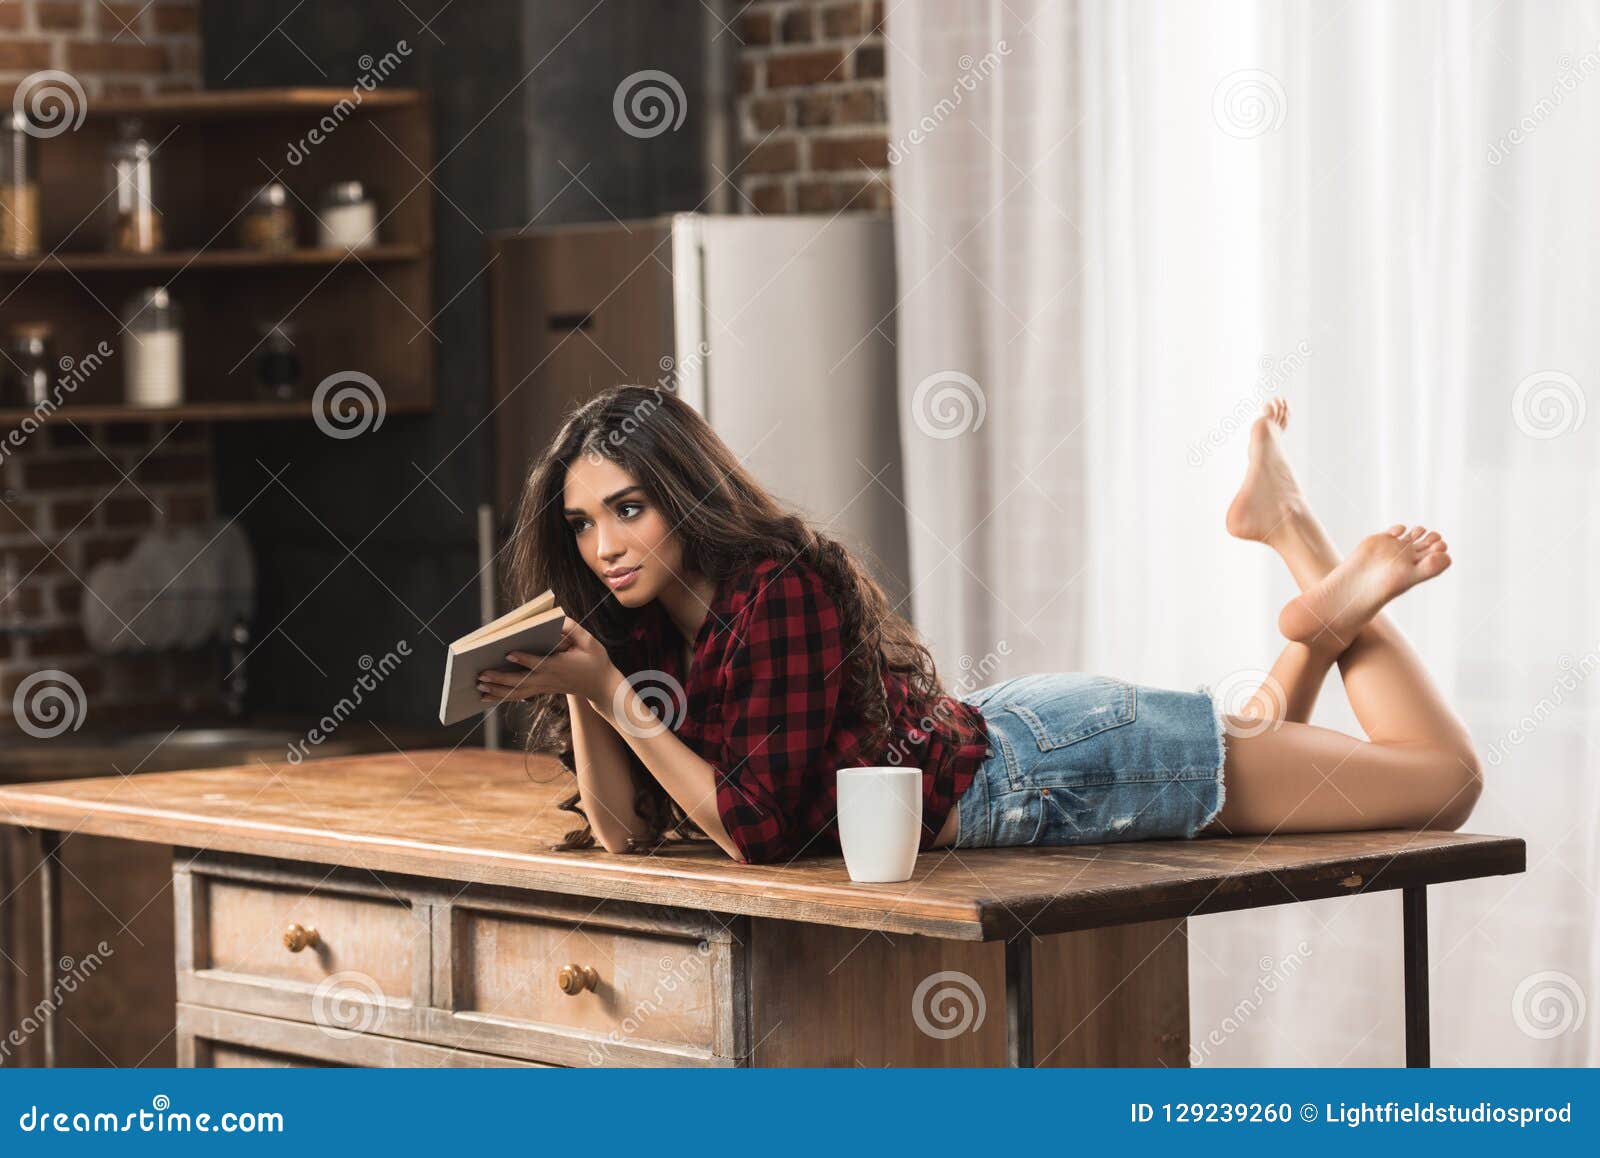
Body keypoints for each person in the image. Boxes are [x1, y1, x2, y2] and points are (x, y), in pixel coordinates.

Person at [483, 387, 1482, 866]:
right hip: (1030, 748)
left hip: (1064, 765)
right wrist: (590, 676)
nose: (605, 543)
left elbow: (754, 835)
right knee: (1257, 752)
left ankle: (1311, 563)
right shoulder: (654, 631)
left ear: (681, 496)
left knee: (1439, 786)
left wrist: (609, 692)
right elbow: (622, 833)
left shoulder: (774, 587)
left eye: (627, 509)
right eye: (582, 522)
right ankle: (1287, 541)